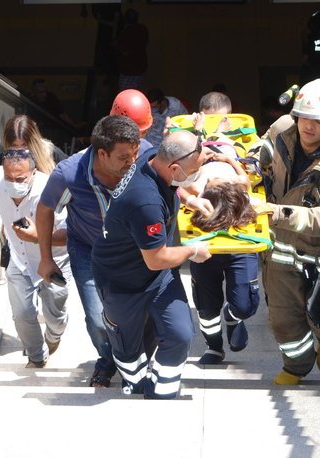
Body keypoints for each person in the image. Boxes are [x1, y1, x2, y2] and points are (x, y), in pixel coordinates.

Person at [246, 79, 320, 385]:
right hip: (282, 250)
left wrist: (278, 213)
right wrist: (249, 163)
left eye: (319, 121)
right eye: (305, 117)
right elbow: (261, 149)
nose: (309, 126)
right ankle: (296, 367)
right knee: (283, 320)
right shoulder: (283, 129)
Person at [91, 130, 212, 399]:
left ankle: (161, 393)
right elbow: (156, 258)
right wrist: (193, 251)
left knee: (179, 334)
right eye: (195, 169)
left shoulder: (151, 157)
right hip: (121, 279)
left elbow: (173, 182)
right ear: (175, 167)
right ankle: (134, 385)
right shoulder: (145, 202)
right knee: (127, 349)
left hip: (158, 278)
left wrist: (190, 199)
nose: (198, 172)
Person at [36, 115, 140, 388]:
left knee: (135, 314)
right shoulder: (69, 174)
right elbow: (45, 210)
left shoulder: (142, 163)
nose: (132, 162)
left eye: (135, 154)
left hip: (132, 250)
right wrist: (46, 259)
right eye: (124, 157)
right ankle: (107, 361)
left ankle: (132, 362)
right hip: (87, 250)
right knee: (97, 318)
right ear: (102, 154)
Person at [180, 93, 262, 365]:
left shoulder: (236, 159)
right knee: (206, 305)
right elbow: (180, 181)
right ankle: (214, 346)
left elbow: (245, 179)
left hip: (238, 228)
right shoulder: (197, 174)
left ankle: (234, 316)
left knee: (245, 304)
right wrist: (199, 134)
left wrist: (228, 159)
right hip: (206, 235)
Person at [0, 149, 71, 368]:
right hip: (19, 257)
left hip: (55, 259)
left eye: (21, 178)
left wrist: (38, 236)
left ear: (33, 174)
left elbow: (69, 234)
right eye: (10, 178)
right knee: (22, 314)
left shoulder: (49, 189)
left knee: (55, 314)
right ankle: (36, 356)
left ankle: (54, 335)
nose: (14, 183)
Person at [0, 114, 67, 173]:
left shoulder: (52, 154)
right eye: (14, 147)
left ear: (34, 143)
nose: (20, 151)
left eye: (25, 146)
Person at [115, 9, 148, 91]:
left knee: (124, 93)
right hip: (139, 66)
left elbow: (125, 51)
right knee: (135, 92)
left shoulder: (126, 32)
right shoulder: (142, 29)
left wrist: (116, 45)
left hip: (128, 69)